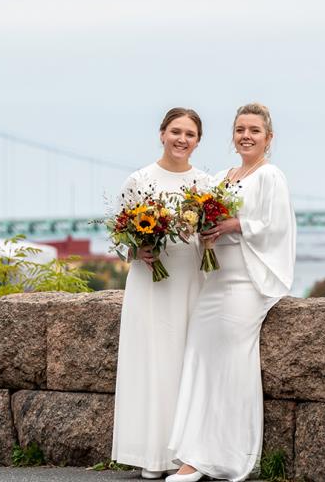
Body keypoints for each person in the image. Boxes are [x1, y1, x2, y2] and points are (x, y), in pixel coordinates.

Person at [167, 103, 296, 482]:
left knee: (229, 365)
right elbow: (208, 219)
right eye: (240, 129)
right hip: (216, 279)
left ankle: (220, 457)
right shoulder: (222, 177)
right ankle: (192, 451)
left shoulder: (272, 176)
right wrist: (202, 227)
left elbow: (276, 226)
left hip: (246, 280)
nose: (246, 135)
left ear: (268, 138)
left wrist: (233, 223)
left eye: (254, 130)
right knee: (200, 361)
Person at [111, 108, 211, 480]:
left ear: (198, 141)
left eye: (189, 134)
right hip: (150, 281)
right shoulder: (139, 179)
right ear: (161, 134)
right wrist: (138, 250)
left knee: (183, 363)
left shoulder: (204, 184)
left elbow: (210, 233)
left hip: (188, 280)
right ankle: (152, 455)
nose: (181, 139)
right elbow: (122, 242)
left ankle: (183, 454)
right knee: (151, 360)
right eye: (175, 131)